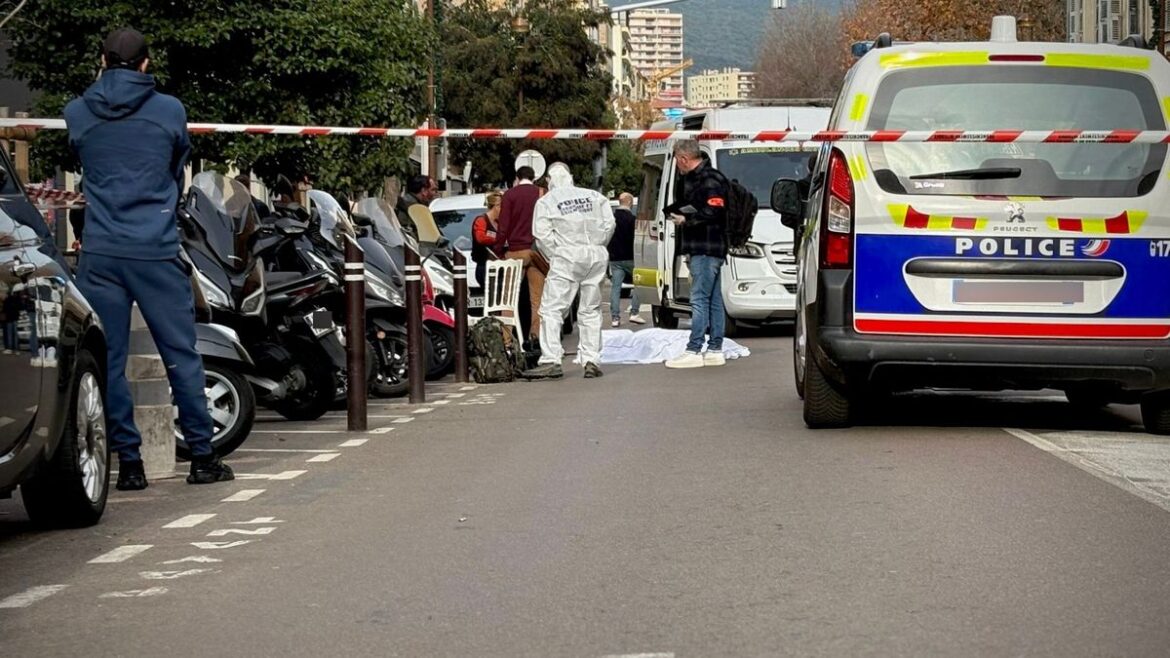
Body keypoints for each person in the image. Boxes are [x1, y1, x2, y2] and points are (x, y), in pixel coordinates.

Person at [65, 27, 233, 490]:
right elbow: (177, 163)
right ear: (146, 63)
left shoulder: (77, 112)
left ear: (101, 60)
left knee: (109, 361)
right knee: (180, 353)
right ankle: (202, 457)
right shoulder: (170, 110)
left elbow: (79, 157)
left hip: (100, 250)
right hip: (156, 248)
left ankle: (130, 467)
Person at [521, 163, 615, 380]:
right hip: (596, 254)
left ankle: (551, 359)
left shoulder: (546, 202)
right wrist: (599, 245)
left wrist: (557, 256)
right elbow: (609, 224)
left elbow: (541, 235)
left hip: (567, 255)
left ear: (548, 180)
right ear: (571, 176)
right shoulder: (593, 196)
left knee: (552, 310)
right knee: (590, 309)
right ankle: (591, 359)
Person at [664, 140, 730, 370]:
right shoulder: (709, 177)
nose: (677, 166)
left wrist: (686, 219)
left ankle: (694, 349)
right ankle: (715, 349)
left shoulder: (708, 179)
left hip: (705, 246)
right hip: (710, 247)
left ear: (683, 158)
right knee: (713, 299)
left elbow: (714, 210)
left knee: (700, 299)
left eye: (677, 160)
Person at [495, 166, 545, 347]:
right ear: (534, 178)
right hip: (536, 251)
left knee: (508, 299)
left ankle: (507, 340)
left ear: (517, 177)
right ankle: (535, 338)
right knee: (537, 300)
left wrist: (499, 249)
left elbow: (503, 226)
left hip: (515, 252)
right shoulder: (541, 193)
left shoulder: (510, 195)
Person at [607, 192, 644, 328]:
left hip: (615, 259)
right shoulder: (633, 220)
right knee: (639, 285)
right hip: (631, 257)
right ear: (629, 202)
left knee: (616, 288)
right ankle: (634, 312)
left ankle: (615, 318)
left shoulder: (611, 219)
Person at [471, 191, 503, 288]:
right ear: (496, 206)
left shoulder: (499, 222)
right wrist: (499, 239)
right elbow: (480, 238)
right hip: (484, 265)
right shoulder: (481, 220)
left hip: (499, 265)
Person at [396, 174, 438, 239]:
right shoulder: (415, 210)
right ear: (423, 191)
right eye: (433, 190)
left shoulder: (406, 205)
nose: (435, 193)